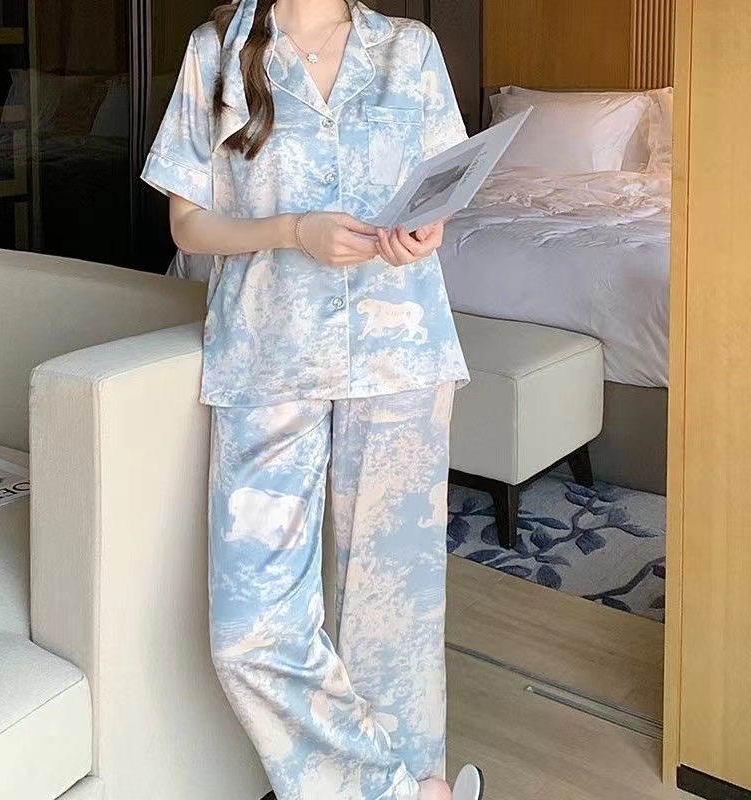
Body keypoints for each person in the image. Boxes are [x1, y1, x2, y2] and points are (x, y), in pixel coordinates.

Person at [141, 1, 484, 798]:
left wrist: (422, 231)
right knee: (250, 633)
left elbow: (442, 191)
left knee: (391, 618)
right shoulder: (216, 49)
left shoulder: (408, 48)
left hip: (400, 353)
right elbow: (188, 225)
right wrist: (293, 231)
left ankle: (418, 783)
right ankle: (405, 794)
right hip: (268, 355)